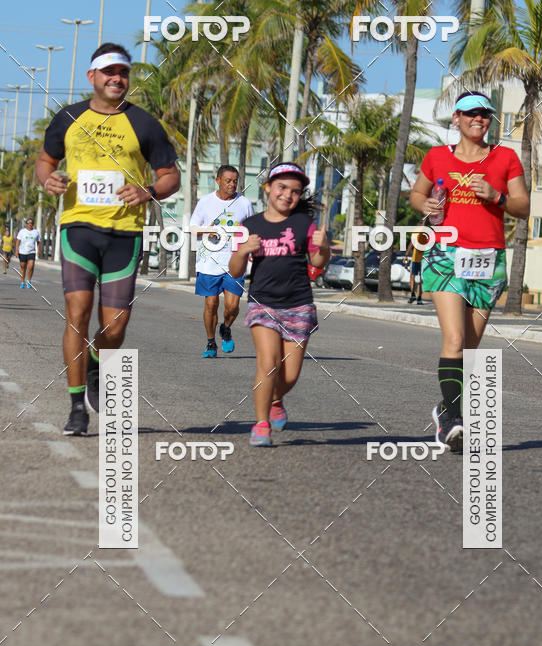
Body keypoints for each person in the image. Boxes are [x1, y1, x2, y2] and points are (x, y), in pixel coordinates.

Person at [35, 42, 179, 436]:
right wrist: (48, 179)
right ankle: (75, 408)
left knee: (114, 327)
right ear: (92, 77)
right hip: (79, 228)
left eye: (123, 73)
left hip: (124, 233)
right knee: (78, 312)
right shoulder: (69, 117)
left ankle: (97, 363)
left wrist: (148, 191)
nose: (117, 78)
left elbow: (171, 175)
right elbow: (45, 161)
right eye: (109, 72)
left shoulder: (144, 124)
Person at [409, 91, 529, 452]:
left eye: (485, 114)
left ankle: (446, 408)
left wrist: (496, 196)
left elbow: (523, 206)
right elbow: (417, 194)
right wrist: (427, 205)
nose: (479, 119)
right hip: (445, 254)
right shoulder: (437, 157)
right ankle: (452, 420)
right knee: (455, 339)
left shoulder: (505, 157)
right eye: (471, 113)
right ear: (457, 119)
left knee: (470, 349)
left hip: (488, 258)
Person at [229, 162, 330, 446]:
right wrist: (244, 251)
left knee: (290, 376)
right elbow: (235, 271)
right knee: (268, 364)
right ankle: (261, 424)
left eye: (295, 191)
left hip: (299, 304)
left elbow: (318, 262)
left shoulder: (304, 224)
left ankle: (275, 398)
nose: (287, 195)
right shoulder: (250, 225)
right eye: (282, 187)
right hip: (263, 303)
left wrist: (323, 247)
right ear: (268, 188)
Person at [190, 165, 253, 358]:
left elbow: (252, 230)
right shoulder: (205, 202)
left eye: (235, 181)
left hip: (235, 261)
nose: (232, 184)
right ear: (218, 181)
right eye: (228, 180)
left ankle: (226, 327)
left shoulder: (245, 203)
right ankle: (211, 343)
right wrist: (207, 231)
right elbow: (192, 229)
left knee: (232, 306)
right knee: (211, 304)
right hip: (209, 262)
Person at [15, 218, 40, 288]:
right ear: (26, 224)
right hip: (22, 252)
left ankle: (29, 280)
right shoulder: (22, 231)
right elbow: (18, 241)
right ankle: (22, 281)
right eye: (28, 223)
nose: (30, 224)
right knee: (23, 267)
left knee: (31, 266)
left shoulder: (36, 232)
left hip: (31, 252)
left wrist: (38, 251)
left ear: (33, 224)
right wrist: (16, 250)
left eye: (31, 223)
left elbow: (38, 242)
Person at [403, 234, 424, 304]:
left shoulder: (416, 232)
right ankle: (417, 297)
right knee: (419, 279)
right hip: (421, 260)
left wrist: (406, 255)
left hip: (417, 259)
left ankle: (415, 296)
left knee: (413, 278)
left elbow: (410, 245)